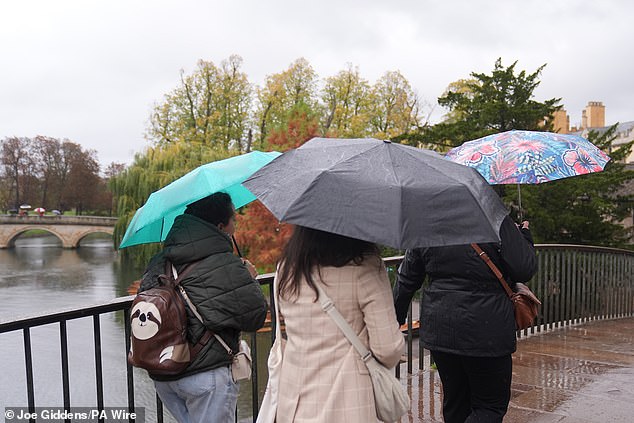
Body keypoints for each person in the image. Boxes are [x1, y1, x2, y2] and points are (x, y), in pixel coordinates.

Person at [138, 192, 268, 423]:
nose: (235, 226)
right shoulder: (224, 263)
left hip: (164, 373)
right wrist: (248, 278)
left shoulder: (159, 260)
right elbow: (255, 316)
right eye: (234, 220)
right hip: (206, 378)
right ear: (220, 226)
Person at [393, 215, 537, 423]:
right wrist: (523, 236)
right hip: (487, 330)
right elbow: (524, 268)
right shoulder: (494, 218)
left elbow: (407, 278)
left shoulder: (427, 220)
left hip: (441, 327)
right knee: (490, 407)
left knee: (455, 402)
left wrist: (394, 320)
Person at [273, 226, 405, 422]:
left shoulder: (287, 268)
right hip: (348, 403)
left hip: (294, 401)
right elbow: (388, 349)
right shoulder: (365, 267)